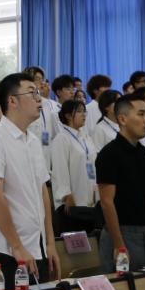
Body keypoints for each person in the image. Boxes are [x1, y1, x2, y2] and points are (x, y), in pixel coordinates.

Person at [0, 72, 58, 282]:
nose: (39, 99)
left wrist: (50, 243)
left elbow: (42, 192)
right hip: (4, 249)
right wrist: (17, 246)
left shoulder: (33, 141)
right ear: (12, 101)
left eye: (38, 93)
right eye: (32, 93)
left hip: (35, 244)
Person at [96, 94, 145, 272]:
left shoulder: (143, 153)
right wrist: (119, 244)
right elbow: (107, 202)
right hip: (121, 233)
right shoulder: (109, 154)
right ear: (122, 119)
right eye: (141, 114)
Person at [50, 98, 97, 234]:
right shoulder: (62, 138)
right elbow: (60, 169)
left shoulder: (86, 137)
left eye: (85, 111)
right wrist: (66, 195)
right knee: (76, 240)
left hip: (90, 197)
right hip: (72, 201)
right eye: (80, 111)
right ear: (68, 115)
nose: (84, 115)